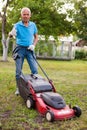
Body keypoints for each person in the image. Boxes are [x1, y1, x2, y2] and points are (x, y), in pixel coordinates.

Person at [9, 7, 38, 95]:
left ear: (30, 15)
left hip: (30, 49)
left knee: (34, 70)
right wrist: (11, 34)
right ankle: (19, 88)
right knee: (18, 71)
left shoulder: (33, 25)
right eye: (24, 14)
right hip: (20, 49)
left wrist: (33, 45)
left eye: (27, 14)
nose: (25, 16)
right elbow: (10, 35)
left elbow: (36, 37)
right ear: (21, 15)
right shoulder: (17, 25)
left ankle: (35, 87)